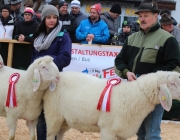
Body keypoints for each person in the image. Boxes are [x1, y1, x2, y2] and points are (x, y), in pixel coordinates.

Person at [114, 0, 180, 140]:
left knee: (152, 133)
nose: (142, 19)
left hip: (155, 93)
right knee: (140, 132)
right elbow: (119, 60)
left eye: (146, 15)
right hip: (134, 91)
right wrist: (126, 72)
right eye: (140, 16)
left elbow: (175, 66)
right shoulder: (132, 38)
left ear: (156, 16)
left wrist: (151, 77)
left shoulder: (167, 39)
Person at [32, 5, 72, 140]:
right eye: (49, 17)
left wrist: (45, 63)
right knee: (40, 115)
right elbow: (33, 58)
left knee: (52, 116)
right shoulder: (38, 36)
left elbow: (65, 58)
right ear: (43, 19)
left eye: (55, 17)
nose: (52, 20)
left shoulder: (63, 35)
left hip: (53, 82)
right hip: (39, 82)